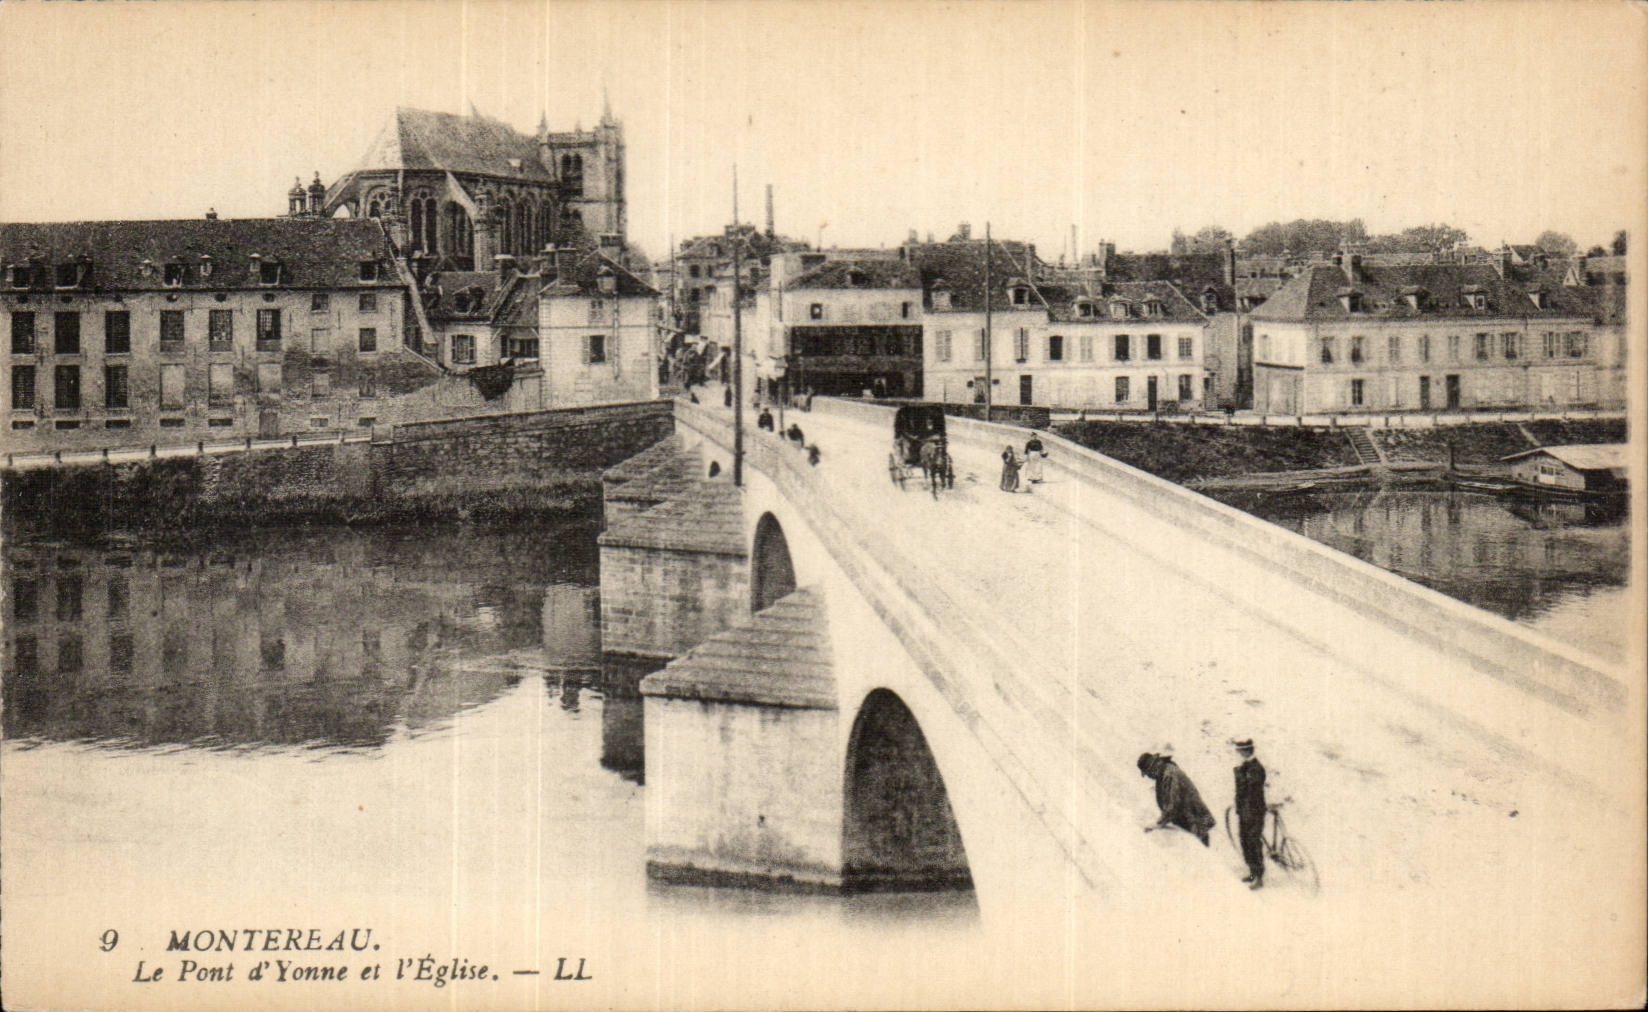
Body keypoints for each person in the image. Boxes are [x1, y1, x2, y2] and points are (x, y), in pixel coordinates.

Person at [1137, 752, 1216, 846]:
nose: (1149, 776)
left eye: (1148, 773)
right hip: (1191, 823)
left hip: (1196, 823)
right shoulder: (1164, 773)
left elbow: (1172, 805)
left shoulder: (1169, 774)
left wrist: (1157, 824)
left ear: (1154, 766)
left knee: (1205, 853)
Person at [1232, 738, 1268, 889]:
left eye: (1240, 751)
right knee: (1245, 842)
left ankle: (1258, 877)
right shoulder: (1246, 767)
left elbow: (1249, 788)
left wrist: (1239, 773)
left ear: (1247, 751)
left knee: (1253, 842)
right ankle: (1252, 872)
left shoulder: (1256, 768)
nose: (1238, 753)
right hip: (1245, 811)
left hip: (1254, 811)